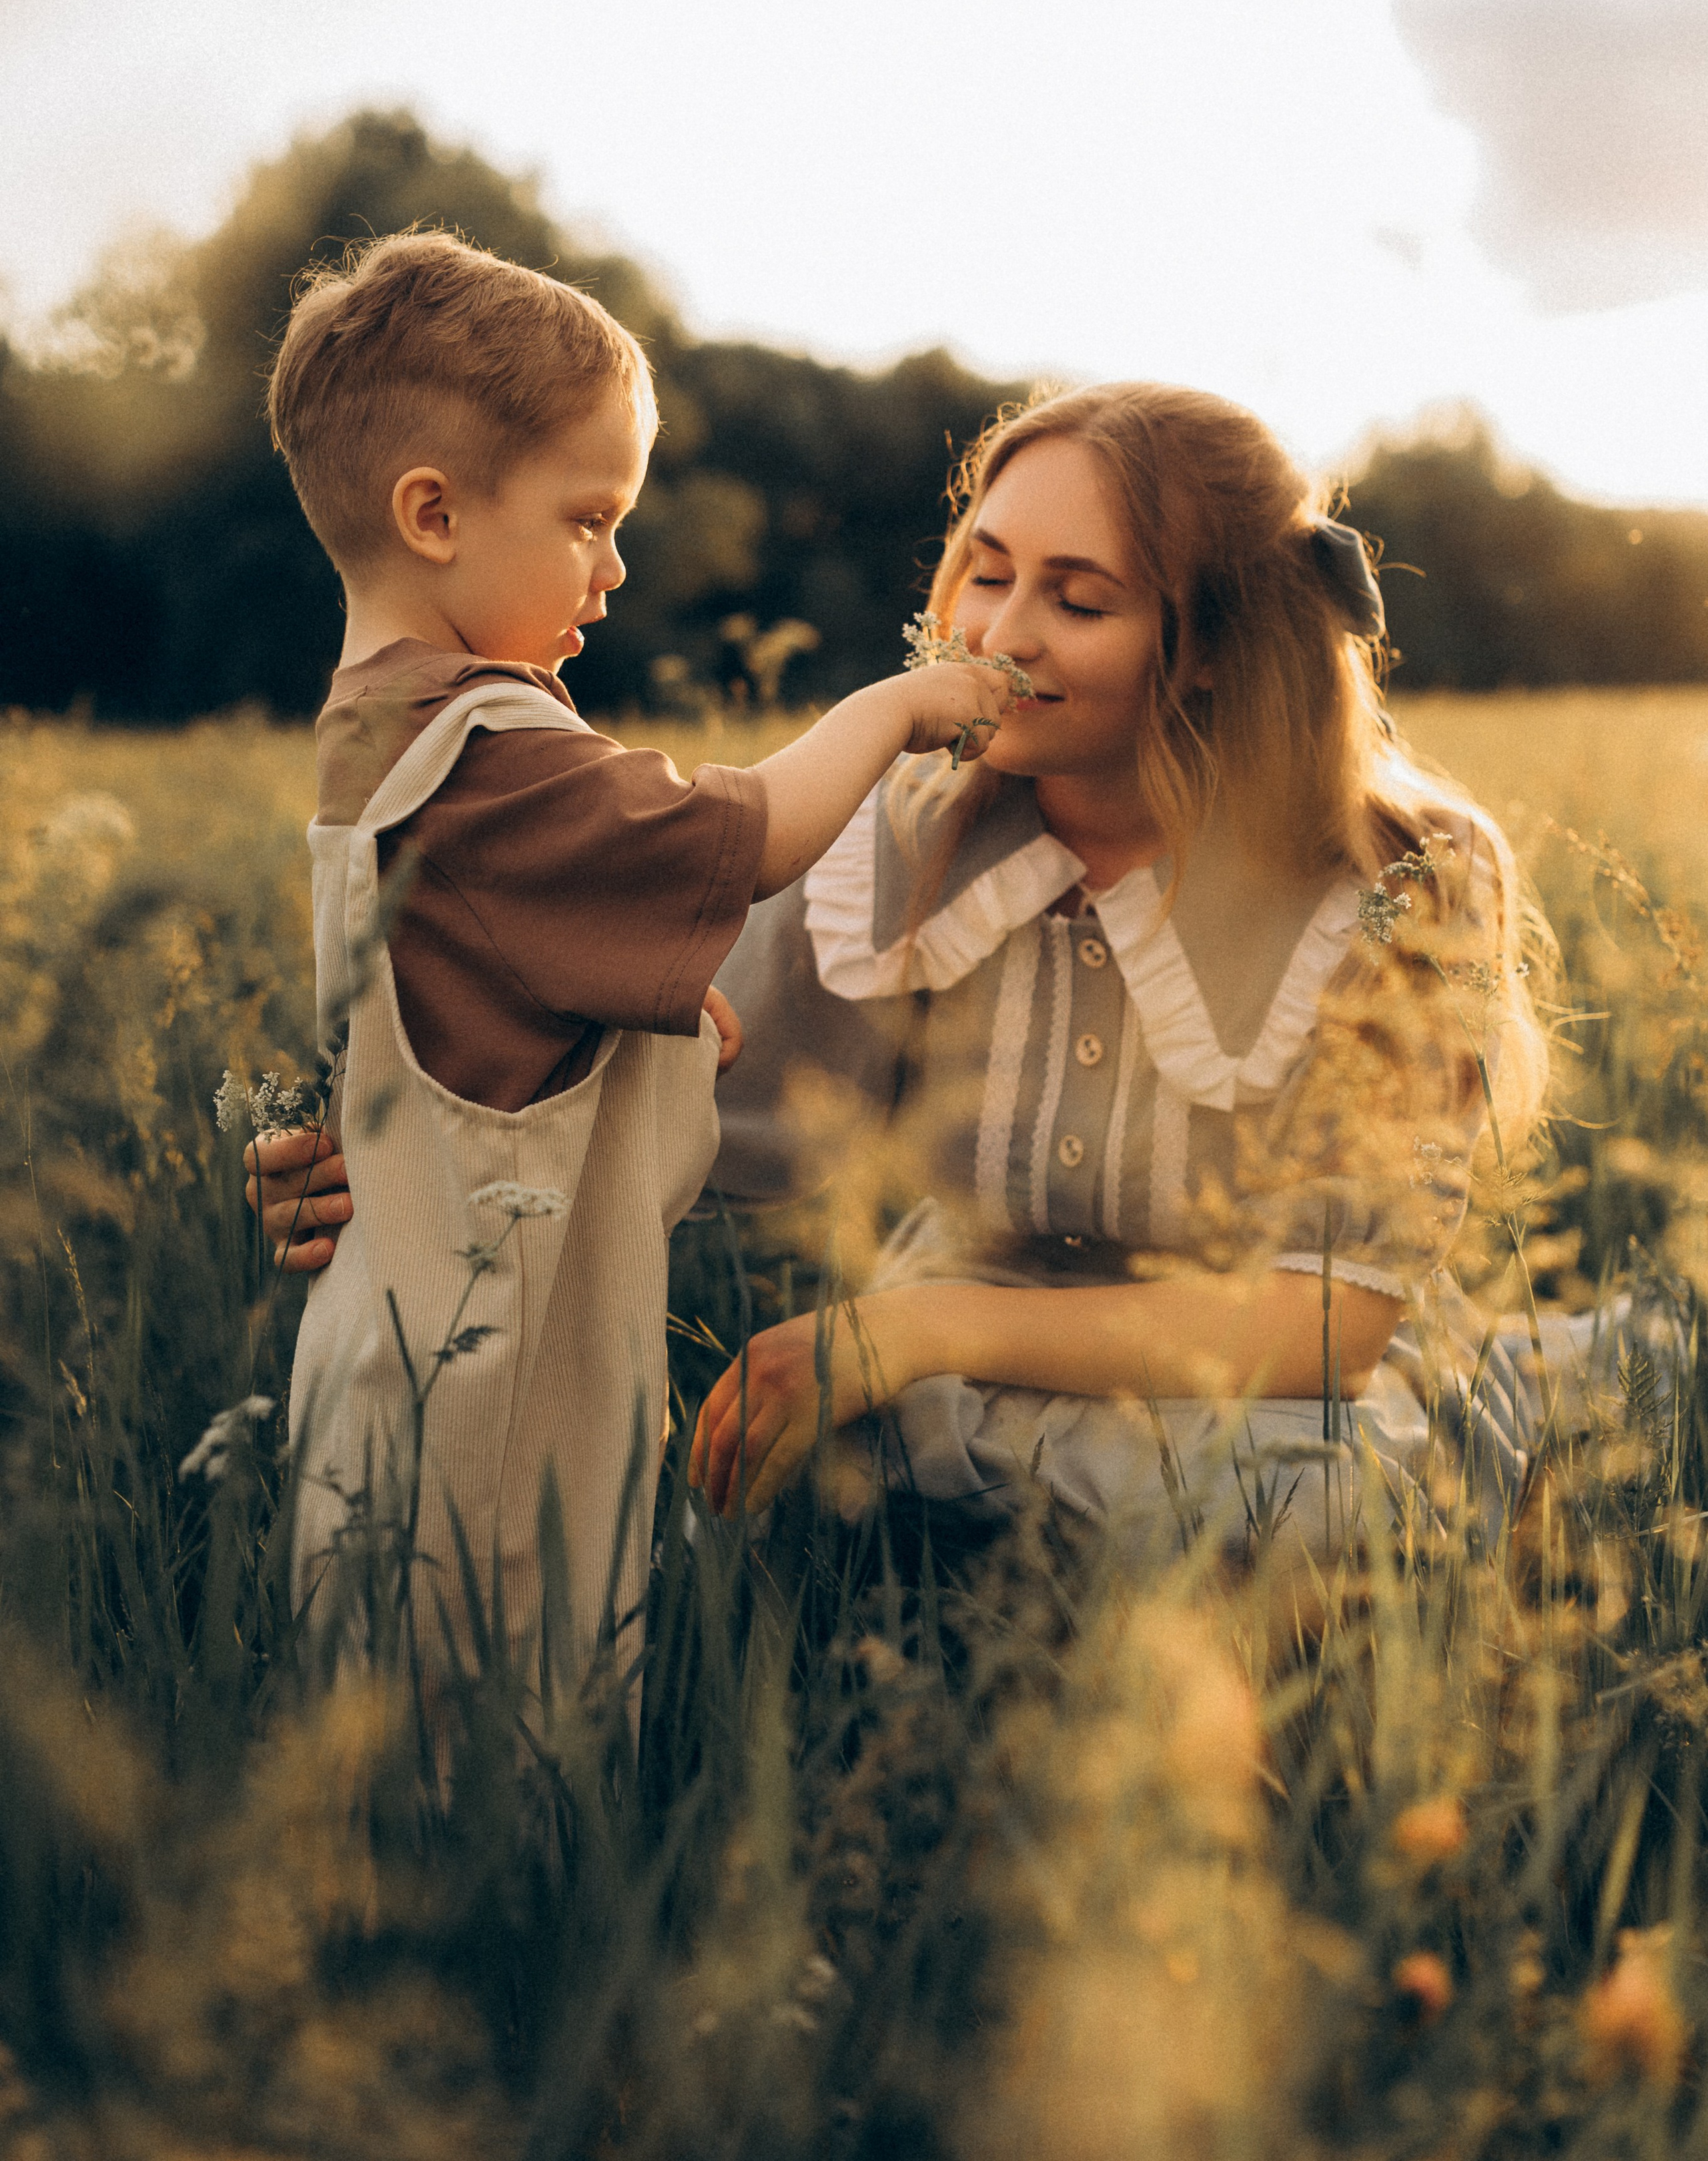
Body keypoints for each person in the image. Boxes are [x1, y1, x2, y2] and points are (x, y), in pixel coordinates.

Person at [258, 377, 1570, 1591]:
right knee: (786, 1508)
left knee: (1316, 1529)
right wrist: (399, 1145)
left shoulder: (1401, 877)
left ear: (1214, 643)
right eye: (984, 574)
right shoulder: (904, 832)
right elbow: (669, 1083)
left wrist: (912, 1328)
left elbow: (1326, 1328)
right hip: (942, 1386)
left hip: (1255, 1402)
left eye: (1077, 598)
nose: (995, 633)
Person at [264, 229, 1013, 1716]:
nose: (614, 566)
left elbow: (466, 1002)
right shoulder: (501, 756)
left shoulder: (372, 736)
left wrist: (641, 1030)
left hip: (390, 1340)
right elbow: (760, 835)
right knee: (511, 1712)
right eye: (589, 518)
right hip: (498, 1376)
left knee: (388, 1732)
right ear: (433, 513)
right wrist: (902, 703)